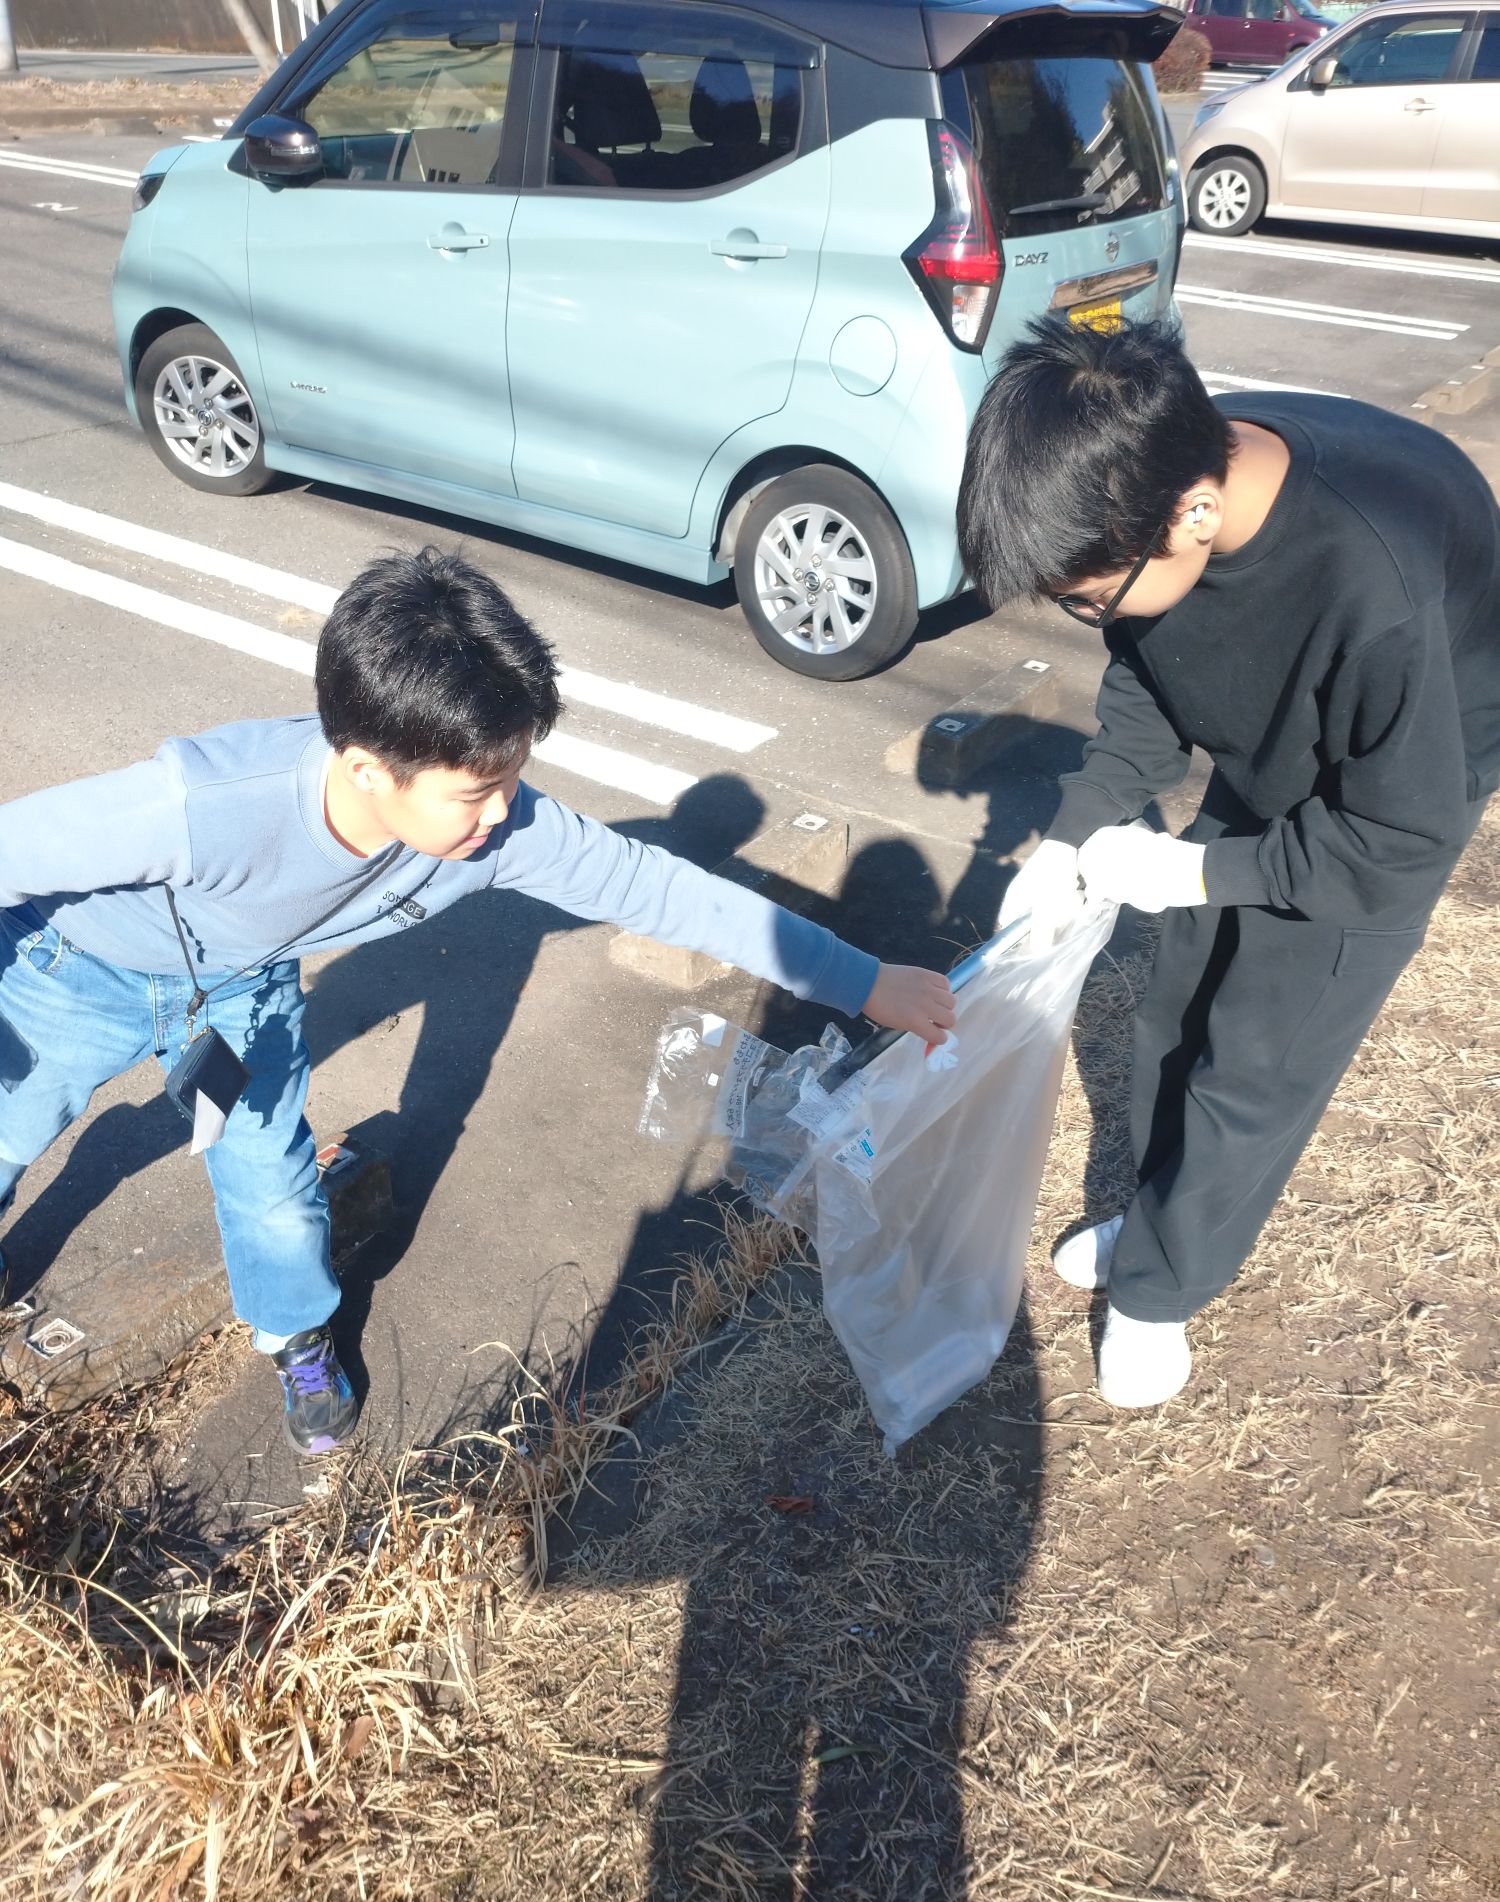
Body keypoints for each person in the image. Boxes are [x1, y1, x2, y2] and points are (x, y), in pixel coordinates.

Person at [0, 549, 954, 1454]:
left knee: (271, 1182)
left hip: (244, 989)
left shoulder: (498, 830)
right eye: (477, 791)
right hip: (75, 968)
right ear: (368, 769)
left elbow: (661, 888)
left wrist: (865, 982)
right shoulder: (202, 802)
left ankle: (294, 1333)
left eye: (513, 778)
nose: (502, 813)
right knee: (10, 1125)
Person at [957, 317, 1500, 1411]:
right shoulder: (1161, 468)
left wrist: (1195, 873)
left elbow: (1397, 838)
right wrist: (1072, 835)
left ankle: (1161, 1291)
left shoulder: (1373, 580)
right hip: (1284, 739)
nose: (1083, 616)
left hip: (1399, 787)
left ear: (1194, 516)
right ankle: (1155, 1218)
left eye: (1086, 597)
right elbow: (1150, 680)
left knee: (1258, 1063)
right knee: (1178, 1006)